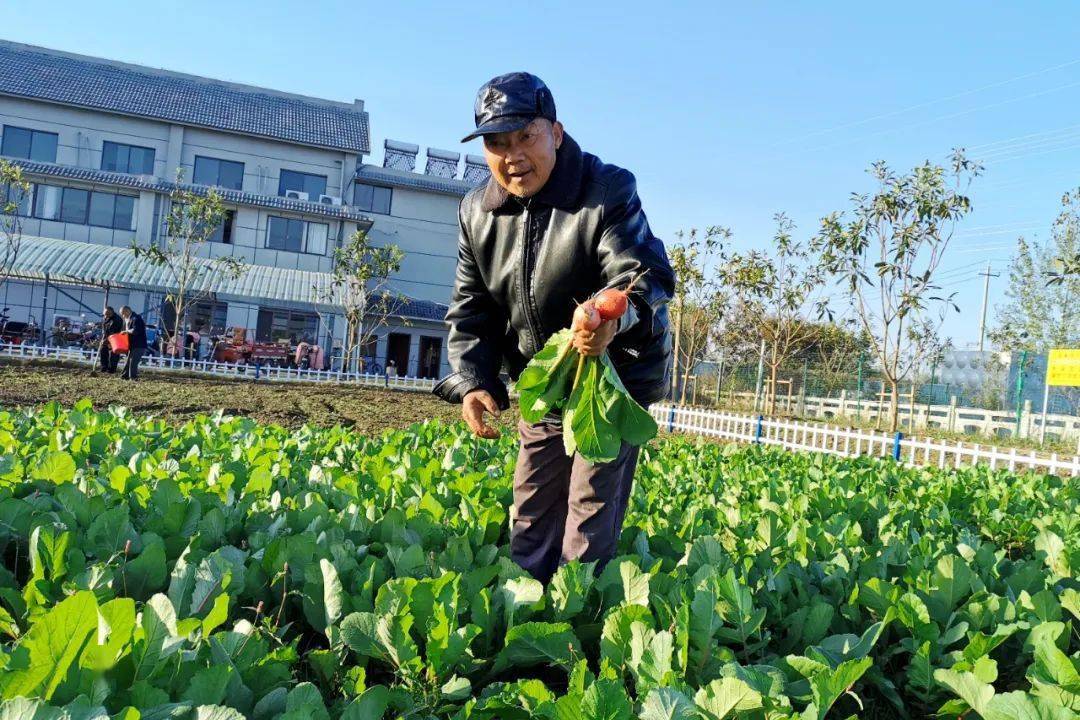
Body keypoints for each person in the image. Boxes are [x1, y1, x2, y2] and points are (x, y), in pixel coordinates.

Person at [433, 72, 675, 583]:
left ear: (556, 134)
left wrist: (611, 318)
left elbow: (642, 274)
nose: (513, 154)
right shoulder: (477, 212)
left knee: (586, 518)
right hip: (546, 377)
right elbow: (471, 303)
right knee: (531, 510)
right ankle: (527, 622)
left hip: (613, 378)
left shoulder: (606, 189)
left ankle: (570, 633)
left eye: (526, 136)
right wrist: (473, 379)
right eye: (497, 142)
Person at [119, 306, 147, 380]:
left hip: (139, 345)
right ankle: (124, 376)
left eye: (123, 313)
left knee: (133, 362)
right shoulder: (128, 319)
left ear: (127, 311)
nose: (122, 316)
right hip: (132, 345)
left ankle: (133, 377)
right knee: (128, 361)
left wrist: (126, 331)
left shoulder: (136, 318)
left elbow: (136, 330)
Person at [97, 306, 123, 374]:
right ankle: (104, 367)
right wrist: (103, 338)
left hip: (115, 339)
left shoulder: (117, 320)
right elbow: (104, 329)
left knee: (113, 355)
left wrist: (107, 340)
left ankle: (111, 370)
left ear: (111, 312)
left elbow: (113, 331)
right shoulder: (106, 318)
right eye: (104, 314)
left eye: (107, 314)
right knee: (103, 351)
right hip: (106, 338)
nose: (105, 316)